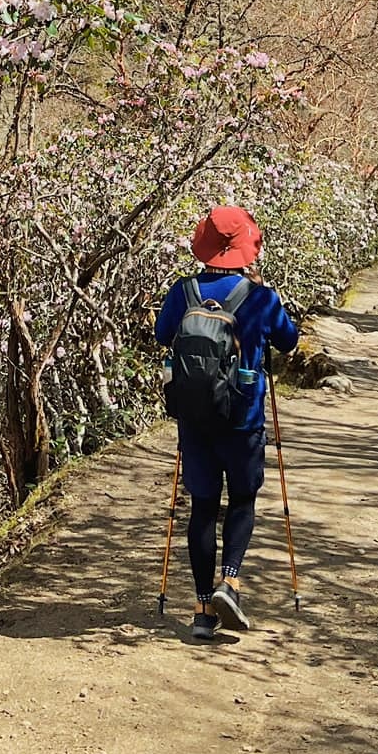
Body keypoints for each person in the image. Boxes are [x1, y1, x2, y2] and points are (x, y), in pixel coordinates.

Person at [155, 204, 299, 641]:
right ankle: (229, 581)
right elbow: (289, 341)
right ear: (245, 248)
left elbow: (162, 335)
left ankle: (202, 610)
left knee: (201, 507)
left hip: (196, 420)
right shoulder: (261, 298)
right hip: (243, 420)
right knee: (241, 500)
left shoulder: (183, 292)